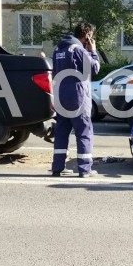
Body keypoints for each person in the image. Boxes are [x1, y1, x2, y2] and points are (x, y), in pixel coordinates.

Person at [51, 22, 100, 177]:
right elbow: (94, 68)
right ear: (87, 35)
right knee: (84, 132)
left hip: (61, 96)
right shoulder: (77, 49)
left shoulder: (58, 49)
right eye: (91, 36)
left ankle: (57, 167)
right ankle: (85, 169)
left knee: (61, 133)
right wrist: (93, 52)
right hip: (77, 97)